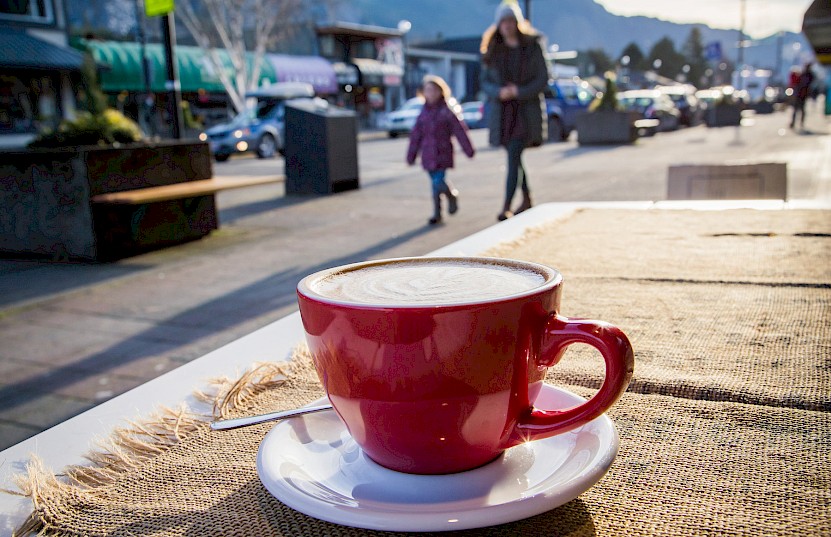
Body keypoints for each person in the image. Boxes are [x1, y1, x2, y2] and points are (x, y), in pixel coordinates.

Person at [480, 0, 549, 221]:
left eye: (511, 21)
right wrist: (499, 92)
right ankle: (527, 198)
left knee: (513, 155)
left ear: (517, 23)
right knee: (515, 157)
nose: (507, 25)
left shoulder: (532, 46)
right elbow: (484, 81)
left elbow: (542, 79)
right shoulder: (493, 50)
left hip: (525, 112)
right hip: (503, 114)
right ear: (499, 24)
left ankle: (506, 206)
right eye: (504, 21)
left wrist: (518, 91)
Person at [407, 75, 475, 225]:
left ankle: (451, 196)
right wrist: (411, 156)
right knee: (434, 184)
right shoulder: (423, 114)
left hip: (442, 153)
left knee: (438, 181)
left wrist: (468, 149)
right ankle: (437, 213)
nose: (430, 94)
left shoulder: (446, 112)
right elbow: (415, 136)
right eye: (427, 90)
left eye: (433, 90)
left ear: (440, 92)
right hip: (428, 154)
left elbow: (460, 131)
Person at [791, 63, 814, 130]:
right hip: (801, 94)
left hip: (800, 94)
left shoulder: (806, 75)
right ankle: (799, 123)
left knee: (798, 109)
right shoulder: (808, 75)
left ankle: (796, 123)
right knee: (800, 110)